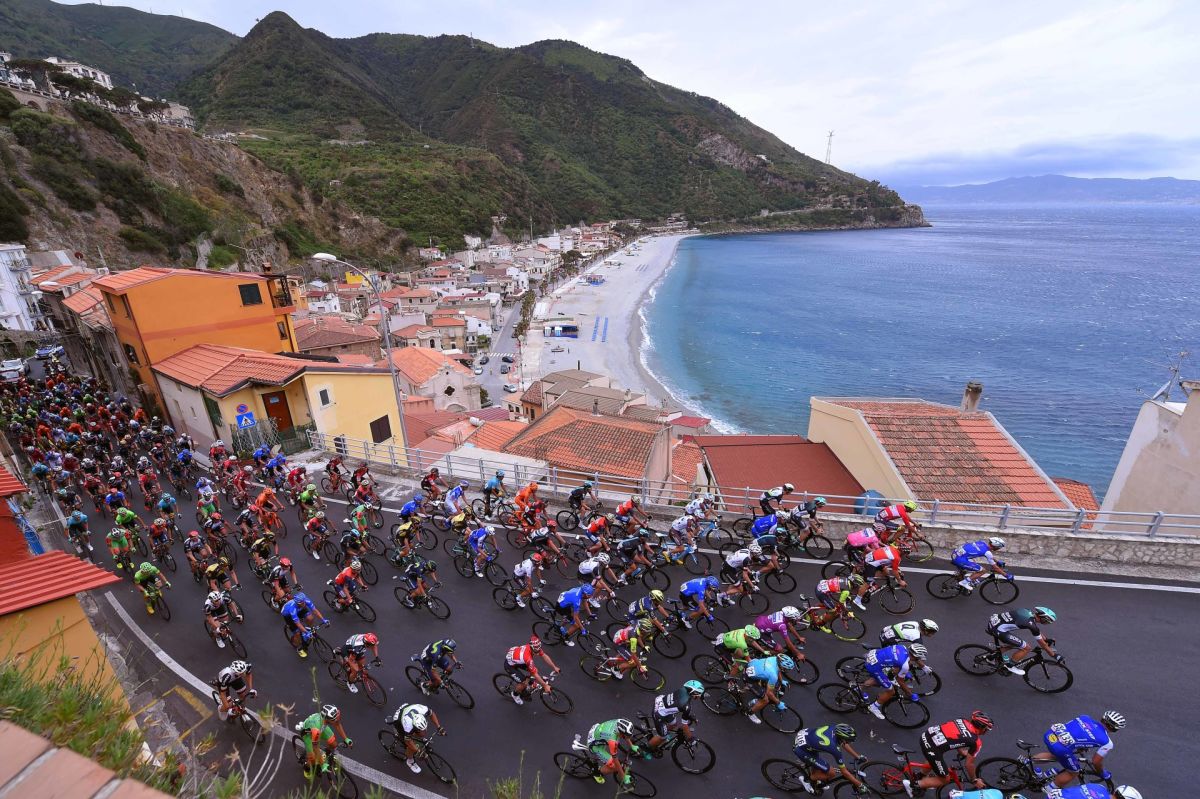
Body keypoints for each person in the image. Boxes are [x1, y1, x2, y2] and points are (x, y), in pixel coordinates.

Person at [909, 711, 994, 797]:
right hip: (932, 748)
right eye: (986, 729)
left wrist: (961, 751)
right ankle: (914, 785)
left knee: (934, 760)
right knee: (945, 779)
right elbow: (969, 764)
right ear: (982, 727)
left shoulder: (962, 720)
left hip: (926, 735)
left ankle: (920, 775)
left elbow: (956, 736)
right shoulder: (975, 741)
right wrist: (974, 780)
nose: (986, 731)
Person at [1033, 711, 1125, 789]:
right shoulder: (1107, 742)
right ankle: (1048, 790)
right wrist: (1102, 773)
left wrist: (1081, 746)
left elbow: (1078, 732)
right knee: (1073, 772)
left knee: (1057, 755)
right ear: (1115, 729)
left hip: (1050, 735)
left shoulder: (1085, 717)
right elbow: (1096, 761)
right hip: (1060, 748)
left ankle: (1027, 762)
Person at [792, 723, 868, 795]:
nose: (850, 742)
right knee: (831, 773)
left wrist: (857, 756)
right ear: (842, 738)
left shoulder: (835, 728)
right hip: (802, 750)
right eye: (849, 740)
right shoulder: (833, 747)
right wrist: (860, 784)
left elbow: (844, 743)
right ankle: (806, 780)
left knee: (820, 767)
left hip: (804, 736)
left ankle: (816, 779)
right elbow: (844, 772)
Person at [862, 643, 929, 720]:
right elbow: (900, 681)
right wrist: (910, 694)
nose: (919, 659)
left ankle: (858, 688)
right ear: (916, 656)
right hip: (874, 667)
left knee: (884, 678)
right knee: (891, 691)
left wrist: (904, 672)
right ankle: (873, 707)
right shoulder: (904, 665)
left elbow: (898, 662)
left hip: (873, 654)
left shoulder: (902, 647)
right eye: (919, 657)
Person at [985, 606, 1059, 675]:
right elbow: (1043, 644)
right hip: (998, 629)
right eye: (1048, 621)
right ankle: (1009, 666)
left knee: (1014, 643)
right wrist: (1054, 655)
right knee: (1026, 648)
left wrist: (1046, 639)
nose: (1047, 623)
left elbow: (1036, 630)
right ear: (1043, 618)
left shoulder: (1027, 611)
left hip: (994, 622)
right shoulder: (1030, 624)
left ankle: (991, 657)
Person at [646, 681, 704, 752]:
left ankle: (664, 732)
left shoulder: (682, 690)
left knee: (673, 724)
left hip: (661, 702)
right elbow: (684, 726)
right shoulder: (686, 706)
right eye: (699, 694)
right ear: (693, 693)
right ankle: (646, 749)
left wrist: (688, 716)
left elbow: (677, 704)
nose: (700, 696)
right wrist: (691, 738)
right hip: (659, 713)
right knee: (663, 737)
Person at [386, 702, 444, 774]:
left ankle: (418, 738)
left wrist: (439, 727)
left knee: (421, 734)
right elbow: (408, 741)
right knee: (411, 747)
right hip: (399, 720)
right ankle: (410, 761)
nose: (425, 732)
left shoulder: (423, 709)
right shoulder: (408, 726)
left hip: (407, 709)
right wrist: (418, 751)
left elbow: (432, 714)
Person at [504, 634, 561, 705]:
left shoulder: (535, 647)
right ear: (531, 647)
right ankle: (515, 695)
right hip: (510, 666)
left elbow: (544, 656)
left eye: (538, 649)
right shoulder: (528, 658)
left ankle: (530, 682)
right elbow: (534, 674)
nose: (538, 652)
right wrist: (545, 685)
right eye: (536, 651)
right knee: (523, 683)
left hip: (518, 660)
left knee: (534, 670)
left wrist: (554, 667)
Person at [297, 704, 352, 776]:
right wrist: (322, 764)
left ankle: (325, 755)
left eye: (336, 718)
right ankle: (306, 768)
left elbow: (337, 724)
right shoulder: (316, 728)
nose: (336, 720)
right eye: (333, 719)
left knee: (333, 744)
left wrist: (346, 739)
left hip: (321, 728)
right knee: (312, 758)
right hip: (309, 734)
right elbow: (315, 747)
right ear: (326, 719)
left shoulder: (333, 716)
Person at [743, 653, 793, 725]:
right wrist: (778, 703)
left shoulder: (774, 659)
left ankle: (756, 700)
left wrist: (781, 681)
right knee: (765, 700)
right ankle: (749, 713)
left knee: (768, 688)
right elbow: (769, 693)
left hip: (751, 666)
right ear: (782, 666)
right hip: (749, 679)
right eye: (786, 669)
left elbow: (778, 669)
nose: (787, 670)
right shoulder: (773, 675)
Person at [281, 591, 328, 658]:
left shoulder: (305, 601)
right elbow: (297, 623)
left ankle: (309, 630)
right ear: (298, 603)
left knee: (310, 618)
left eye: (304, 602)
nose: (304, 604)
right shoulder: (292, 609)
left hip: (299, 609)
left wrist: (323, 619)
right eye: (302, 603)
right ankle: (299, 648)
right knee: (298, 633)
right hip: (288, 615)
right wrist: (306, 632)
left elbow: (315, 611)